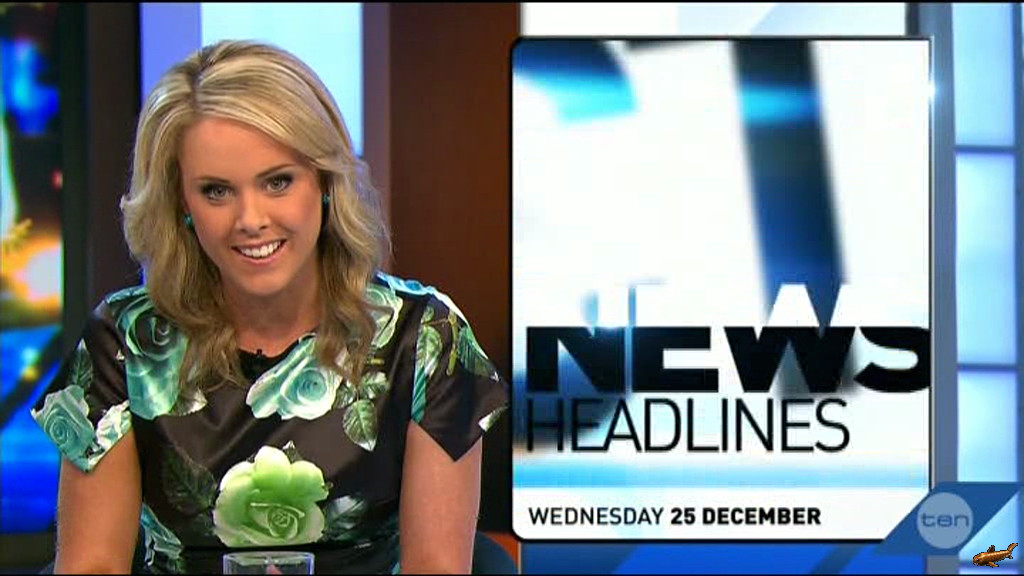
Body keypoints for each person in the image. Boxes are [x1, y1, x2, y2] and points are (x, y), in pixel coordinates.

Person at [30, 40, 508, 574]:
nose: (251, 220)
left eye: (277, 182)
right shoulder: (123, 342)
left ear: (324, 183)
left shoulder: (424, 338)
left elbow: (435, 568)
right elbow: (93, 565)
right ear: (180, 202)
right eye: (216, 191)